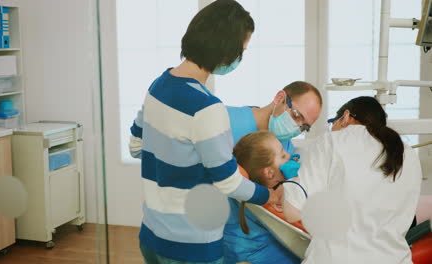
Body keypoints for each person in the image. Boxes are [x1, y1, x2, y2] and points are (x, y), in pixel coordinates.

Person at [128, 1, 279, 263]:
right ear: (225, 50)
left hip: (152, 237)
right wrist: (268, 195)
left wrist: (176, 163)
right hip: (191, 247)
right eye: (241, 51)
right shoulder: (207, 108)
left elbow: (136, 146)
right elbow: (228, 182)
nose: (239, 59)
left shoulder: (157, 85)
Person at [283, 96, 422, 264]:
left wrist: (292, 178)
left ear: (346, 117)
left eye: (332, 122)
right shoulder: (407, 153)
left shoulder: (332, 141)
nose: (332, 128)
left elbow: (292, 211)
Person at [223, 81, 322, 264]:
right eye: (296, 116)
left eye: (304, 127)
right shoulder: (224, 122)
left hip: (270, 234)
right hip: (233, 238)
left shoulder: (285, 144)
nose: (297, 128)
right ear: (280, 98)